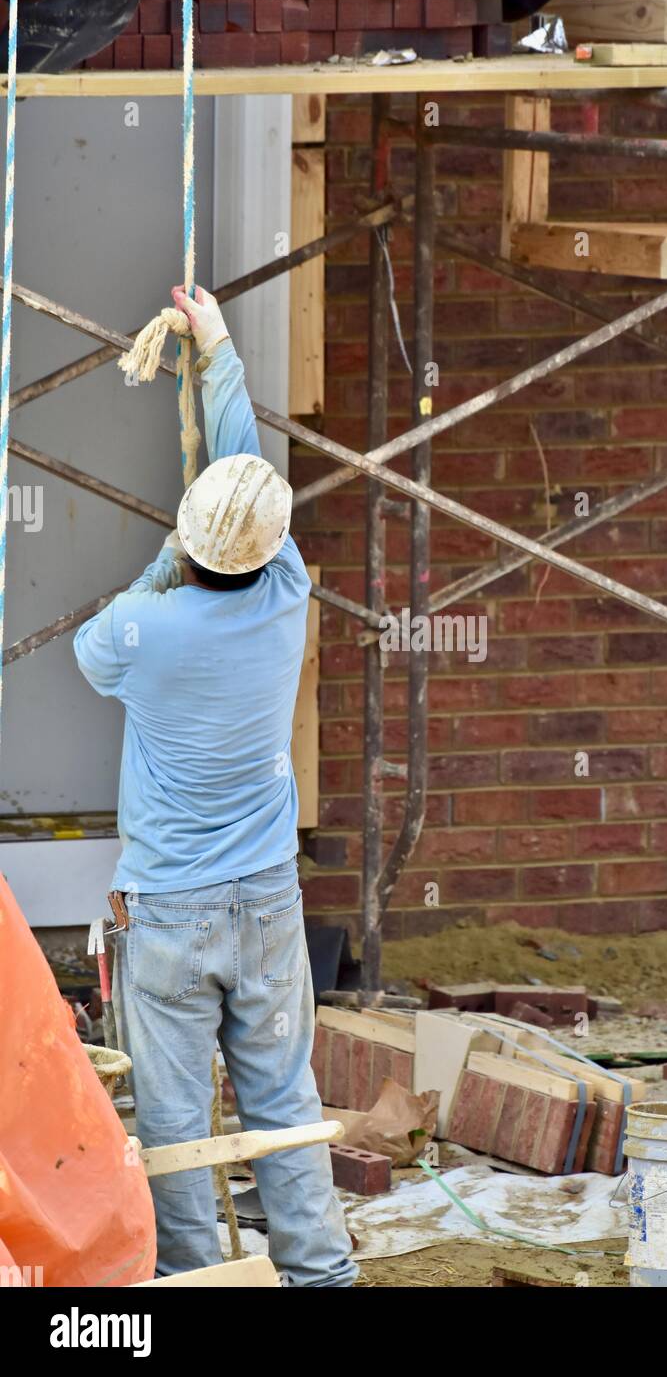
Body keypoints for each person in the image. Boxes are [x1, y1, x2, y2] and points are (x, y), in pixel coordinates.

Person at [74, 287, 357, 1287]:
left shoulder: (145, 631)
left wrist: (162, 564)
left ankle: (194, 1278)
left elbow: (88, 650)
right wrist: (220, 347)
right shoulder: (286, 593)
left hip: (171, 914)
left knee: (173, 1122)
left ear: (192, 546)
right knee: (283, 1099)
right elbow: (247, 477)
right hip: (266, 903)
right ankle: (320, 1274)